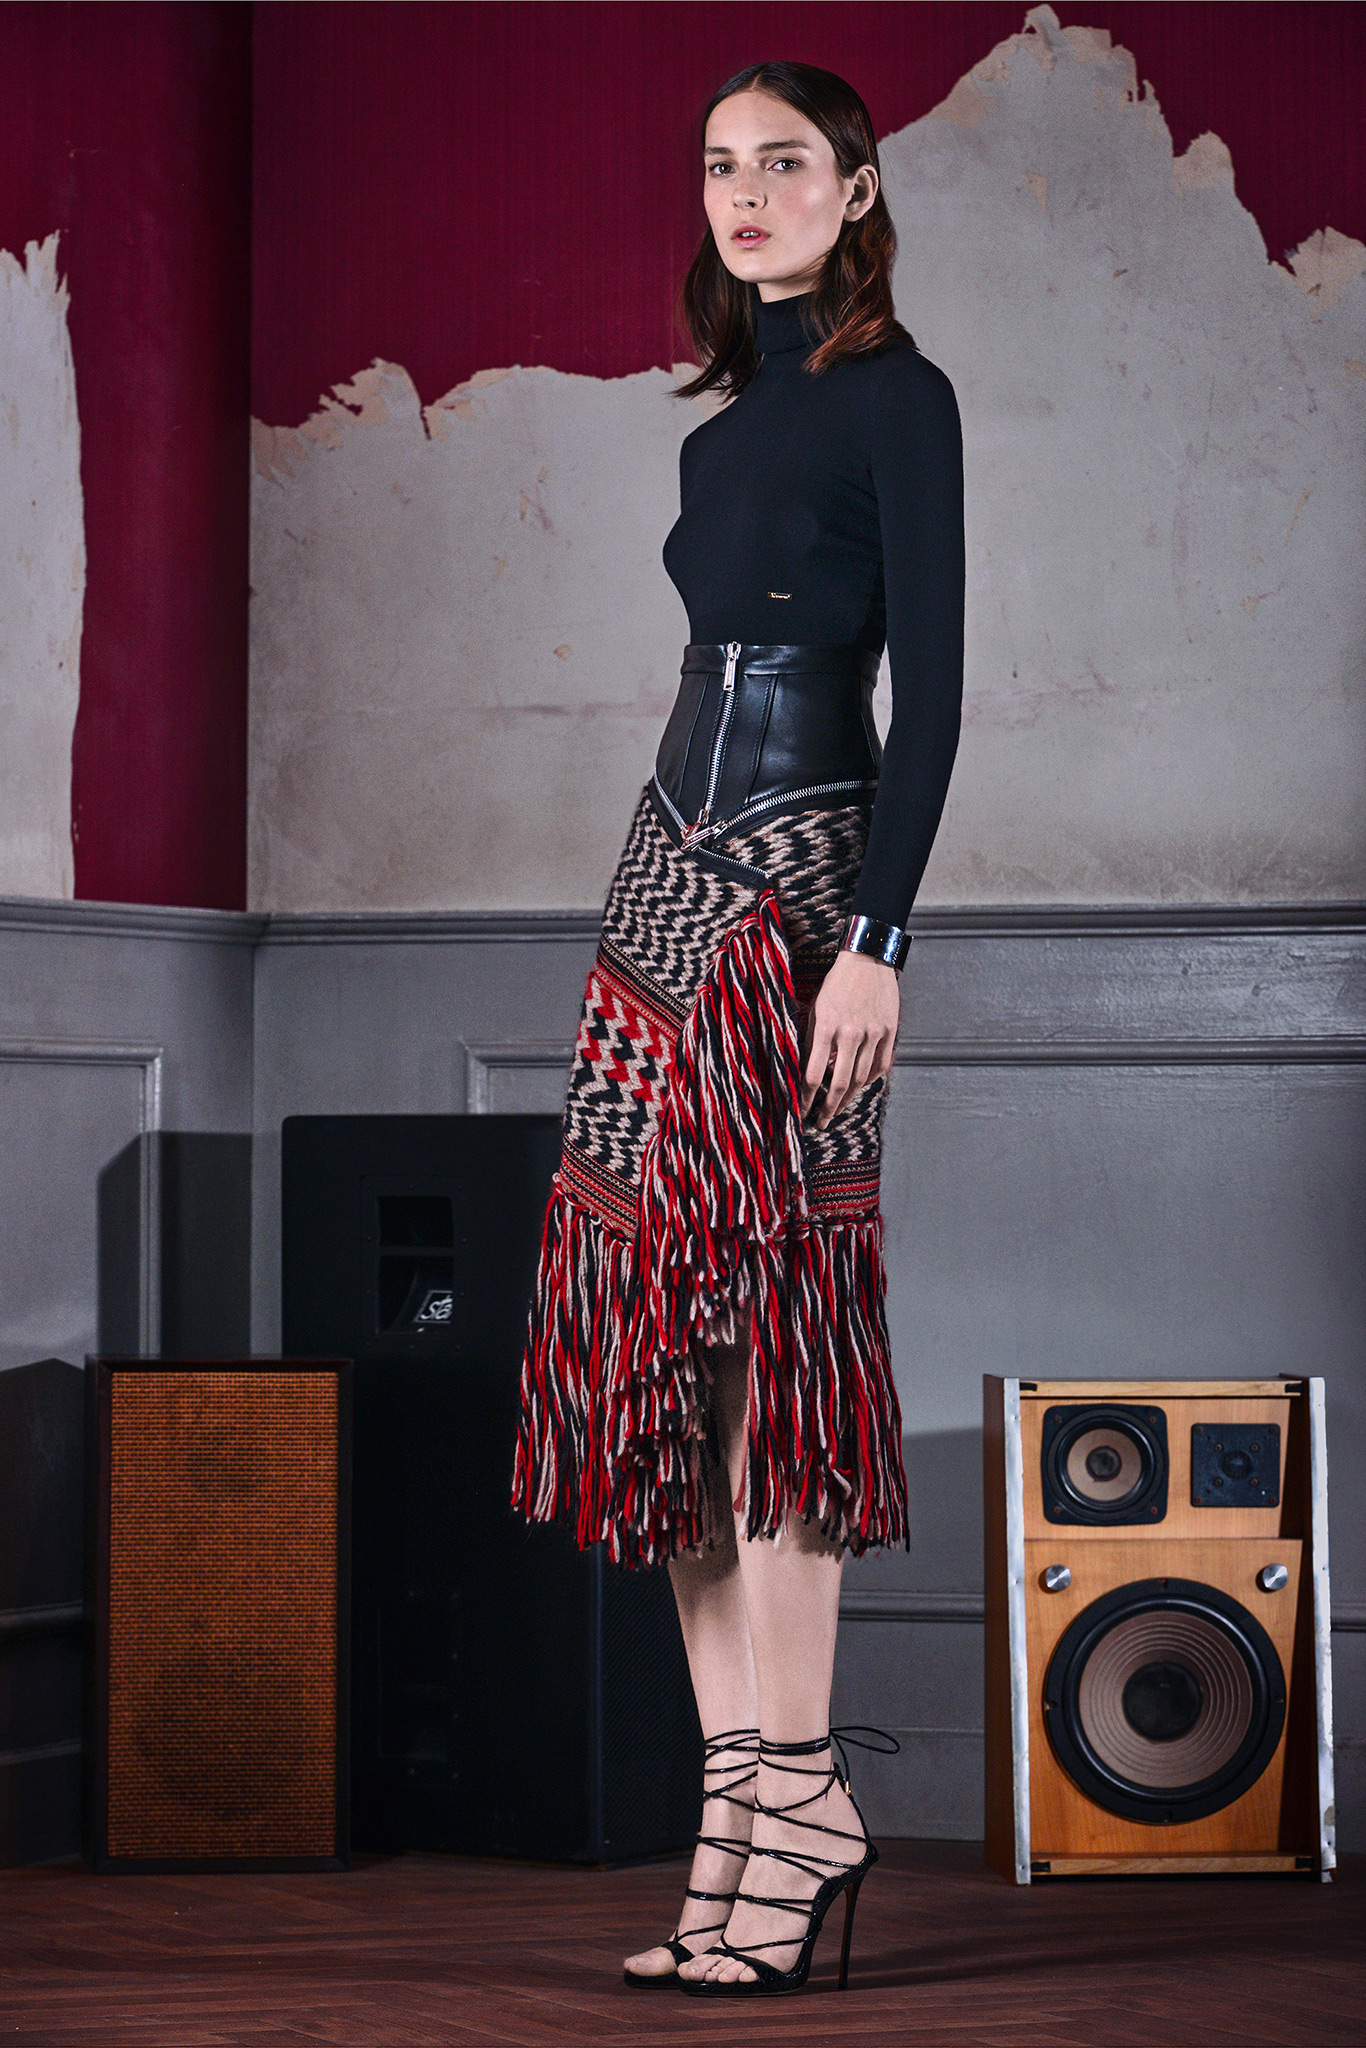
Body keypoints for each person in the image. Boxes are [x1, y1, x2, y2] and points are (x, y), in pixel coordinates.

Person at [512, 58, 964, 1997]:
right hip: (655, 894)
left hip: (801, 896)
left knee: (769, 1346)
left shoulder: (899, 399)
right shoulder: (719, 433)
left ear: (855, 189)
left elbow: (931, 695)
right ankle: (736, 1812)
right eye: (718, 165)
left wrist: (878, 942)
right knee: (658, 1354)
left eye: (783, 162)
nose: (744, 192)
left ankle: (800, 1797)